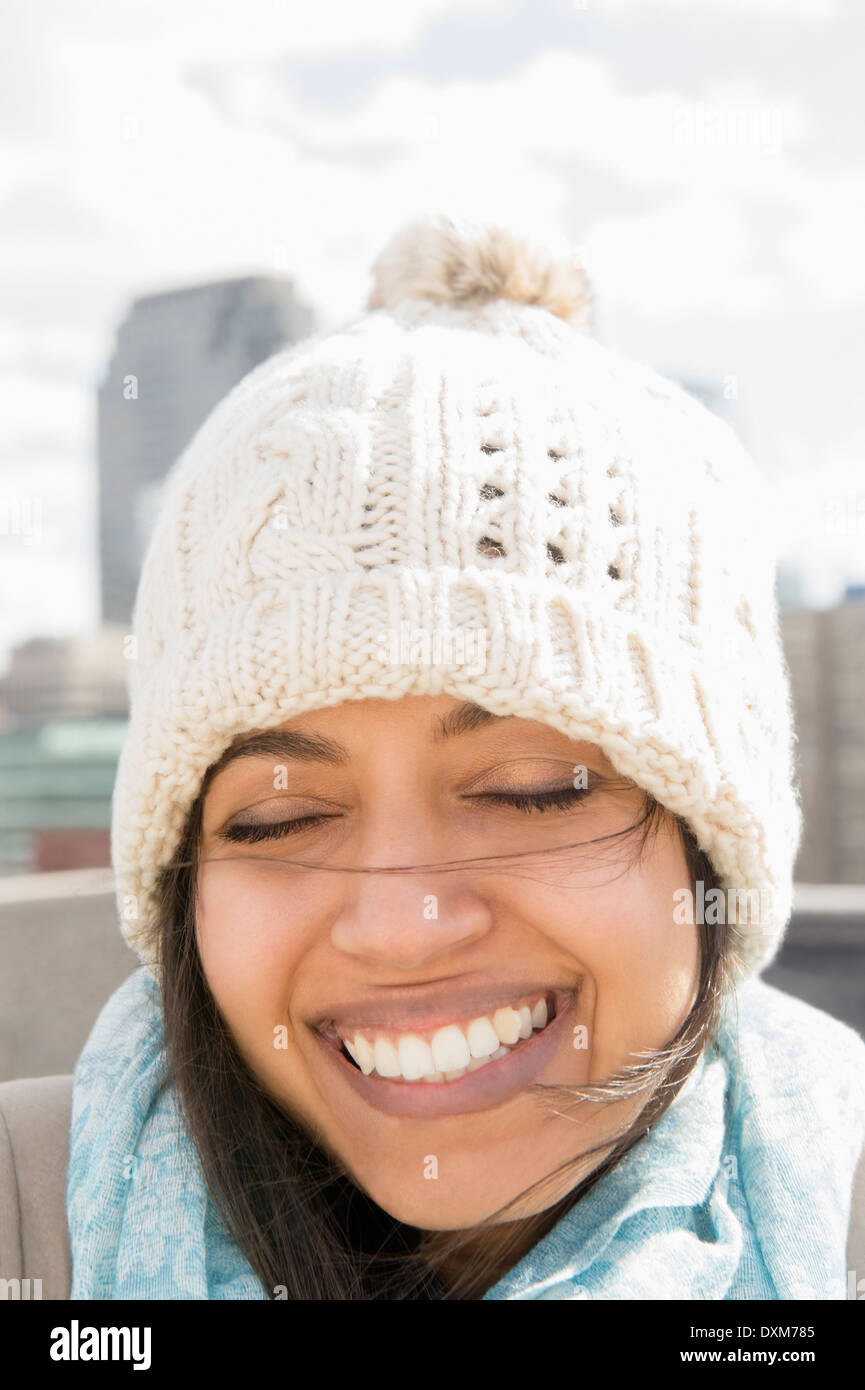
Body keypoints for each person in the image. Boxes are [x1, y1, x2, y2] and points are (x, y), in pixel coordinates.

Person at [64, 214, 865, 1300]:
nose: (403, 924)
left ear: (711, 857)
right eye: (278, 818)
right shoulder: (32, 1234)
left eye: (534, 793)